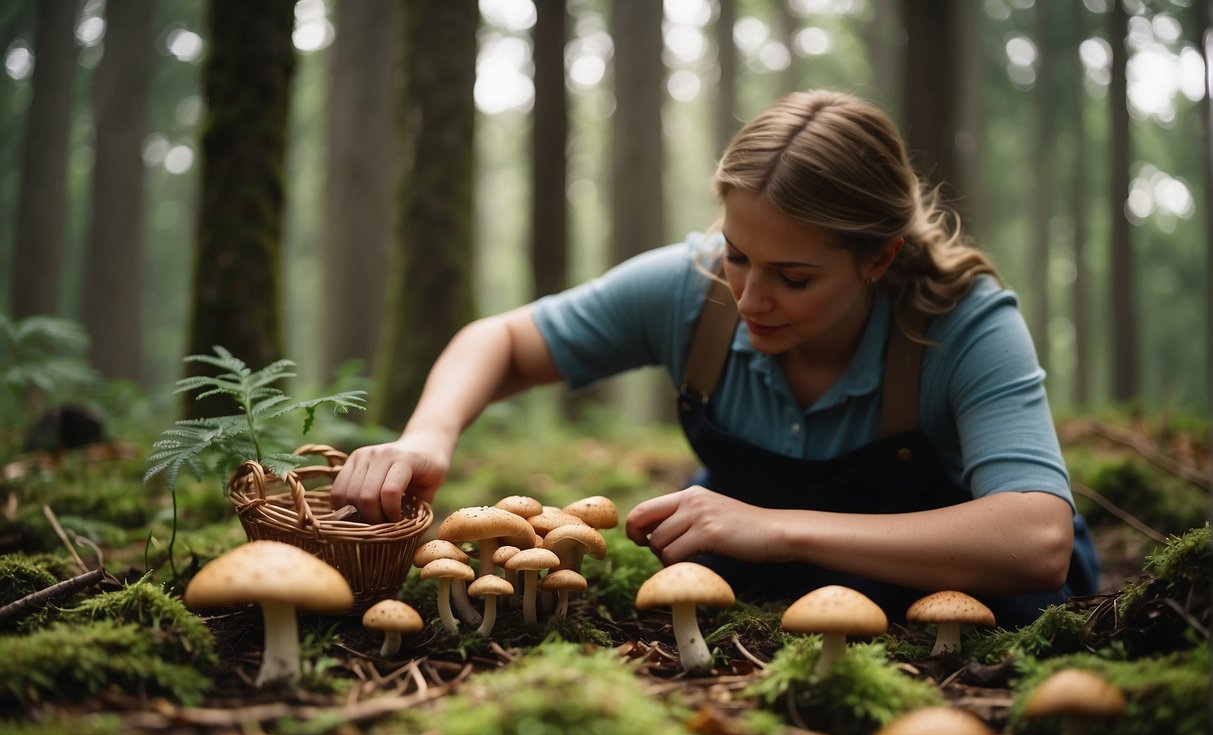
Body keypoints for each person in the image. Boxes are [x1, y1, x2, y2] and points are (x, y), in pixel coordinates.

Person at [330, 89, 1099, 625]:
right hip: (763, 600)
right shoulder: (691, 288)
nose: (751, 297)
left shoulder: (960, 322)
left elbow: (1033, 541)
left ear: (877, 257)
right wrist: (426, 437)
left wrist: (779, 528)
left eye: (793, 277)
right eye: (738, 255)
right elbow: (497, 340)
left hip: (958, 614)